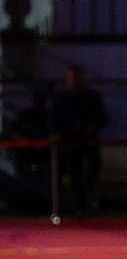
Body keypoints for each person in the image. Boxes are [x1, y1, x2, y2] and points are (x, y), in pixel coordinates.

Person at [50, 65, 107, 213]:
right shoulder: (61, 98)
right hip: (69, 143)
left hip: (89, 142)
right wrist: (59, 133)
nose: (74, 80)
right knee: (73, 175)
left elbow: (102, 117)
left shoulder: (92, 97)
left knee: (92, 172)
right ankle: (79, 205)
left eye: (76, 77)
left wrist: (92, 127)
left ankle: (92, 202)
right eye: (71, 77)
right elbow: (53, 119)